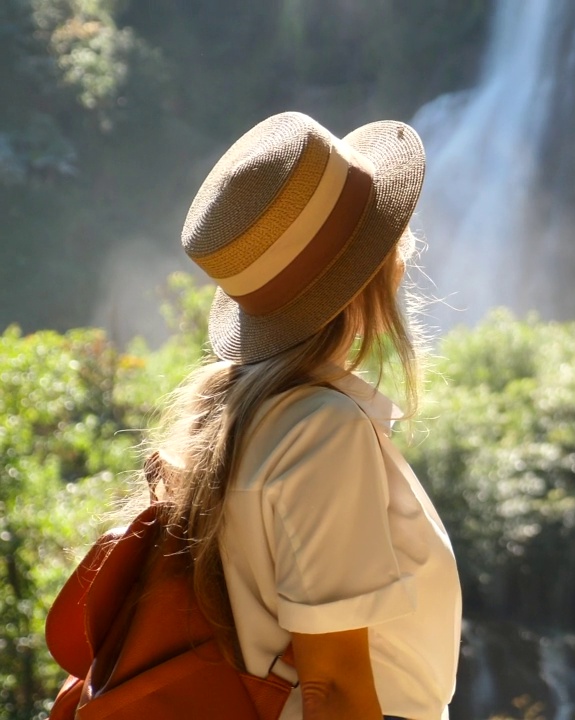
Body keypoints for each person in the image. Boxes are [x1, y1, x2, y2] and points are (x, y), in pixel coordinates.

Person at [146, 111, 460, 719]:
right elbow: (337, 686)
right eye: (389, 236)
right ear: (367, 272)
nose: (406, 248)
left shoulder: (236, 410)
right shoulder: (321, 431)